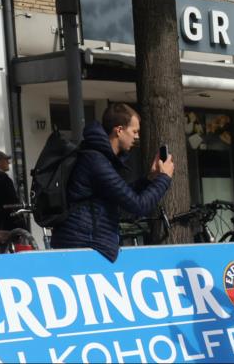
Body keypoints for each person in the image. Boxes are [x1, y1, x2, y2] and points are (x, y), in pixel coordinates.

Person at [50, 103, 173, 262]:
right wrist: (164, 178)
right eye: (134, 131)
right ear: (119, 130)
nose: (137, 137)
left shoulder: (101, 158)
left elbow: (121, 196)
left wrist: (150, 179)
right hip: (84, 248)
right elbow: (139, 205)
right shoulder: (96, 161)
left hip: (88, 245)